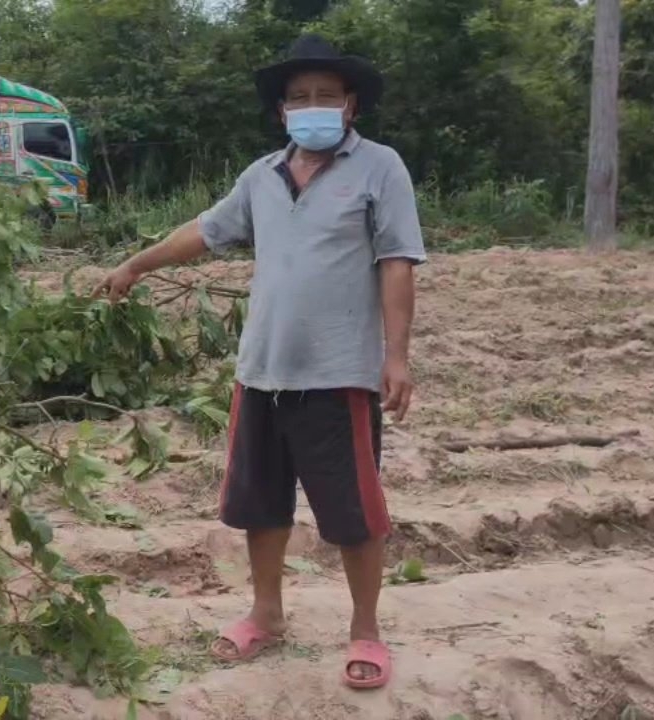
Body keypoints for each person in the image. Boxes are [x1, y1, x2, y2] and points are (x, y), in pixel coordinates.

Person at [94, 34, 425, 690]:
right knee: (260, 504)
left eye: (325, 97)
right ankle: (266, 615)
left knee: (356, 513)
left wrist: (397, 356)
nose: (312, 107)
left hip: (339, 376)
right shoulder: (261, 177)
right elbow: (204, 231)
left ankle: (366, 631)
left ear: (350, 105)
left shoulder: (380, 168)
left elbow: (397, 262)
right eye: (299, 98)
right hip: (262, 372)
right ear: (281, 112)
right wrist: (136, 263)